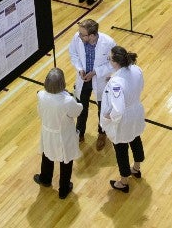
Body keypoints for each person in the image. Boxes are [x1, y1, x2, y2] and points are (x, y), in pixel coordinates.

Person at [101, 46, 145, 193]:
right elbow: (137, 85)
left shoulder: (116, 83)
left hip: (123, 118)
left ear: (115, 62)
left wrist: (108, 116)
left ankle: (124, 180)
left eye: (109, 58)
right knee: (135, 138)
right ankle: (136, 168)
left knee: (120, 148)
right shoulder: (136, 69)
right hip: (136, 111)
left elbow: (118, 109)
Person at [34, 68, 82, 199]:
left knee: (47, 155)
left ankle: (45, 179)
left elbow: (40, 112)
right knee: (66, 161)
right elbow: (77, 111)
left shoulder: (41, 95)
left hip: (48, 131)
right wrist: (72, 96)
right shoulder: (67, 100)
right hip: (64, 134)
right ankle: (64, 189)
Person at [68, 19, 116, 150]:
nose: (79, 36)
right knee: (81, 107)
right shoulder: (77, 38)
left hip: (100, 80)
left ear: (93, 35)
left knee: (103, 108)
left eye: (83, 34)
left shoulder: (108, 43)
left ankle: (102, 133)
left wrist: (95, 72)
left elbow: (113, 64)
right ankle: (80, 132)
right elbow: (73, 53)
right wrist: (80, 69)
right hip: (83, 79)